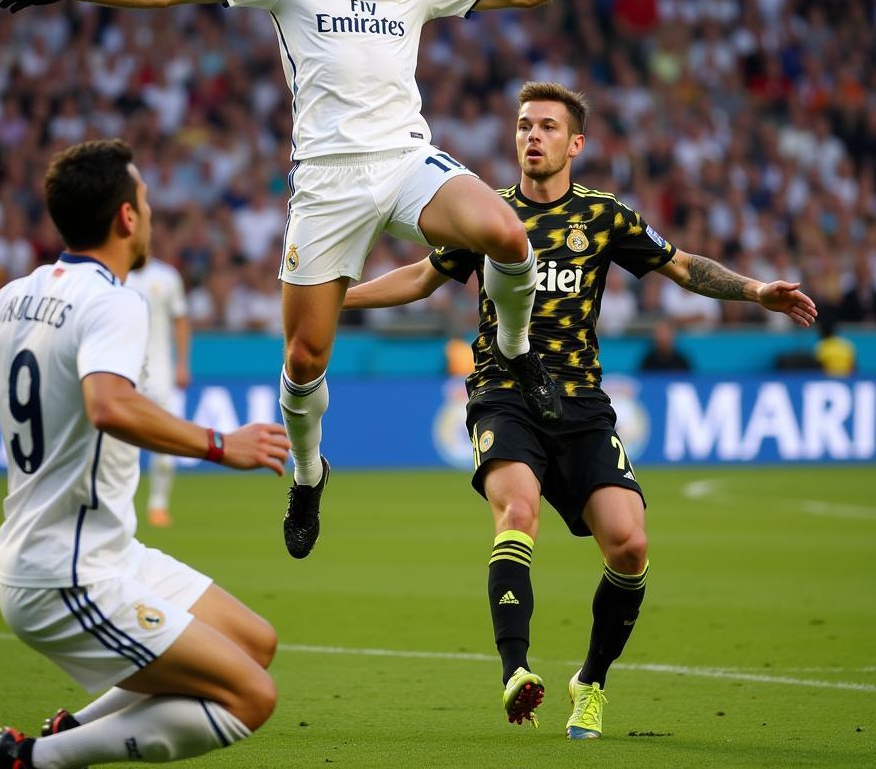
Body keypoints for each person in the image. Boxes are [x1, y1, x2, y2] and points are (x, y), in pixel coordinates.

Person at [0, 0, 683, 559]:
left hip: (407, 161)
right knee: (305, 358)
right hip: (326, 186)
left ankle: (518, 353)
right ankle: (309, 471)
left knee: (508, 235)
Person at [343, 82, 817, 739]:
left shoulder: (603, 216)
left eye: (546, 127)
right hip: (504, 393)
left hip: (584, 404)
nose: (531, 136)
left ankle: (590, 680)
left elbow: (681, 266)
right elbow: (422, 279)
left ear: (575, 143)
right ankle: (517, 672)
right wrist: (336, 298)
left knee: (629, 545)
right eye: (523, 126)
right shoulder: (486, 215)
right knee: (517, 513)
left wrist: (756, 289)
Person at [0, 139, 291, 769]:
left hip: (102, 551)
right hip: (65, 573)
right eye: (144, 199)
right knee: (250, 697)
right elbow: (110, 406)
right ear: (126, 217)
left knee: (254, 643)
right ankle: (36, 759)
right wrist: (223, 445)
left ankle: (69, 725)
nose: (148, 211)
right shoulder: (114, 301)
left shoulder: (17, 294)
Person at [126, 255, 191, 527]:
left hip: (161, 375)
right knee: (119, 448)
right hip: (124, 375)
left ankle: (158, 505)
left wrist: (183, 364)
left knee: (165, 445)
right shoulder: (114, 275)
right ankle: (121, 507)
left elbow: (180, 321)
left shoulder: (167, 277)